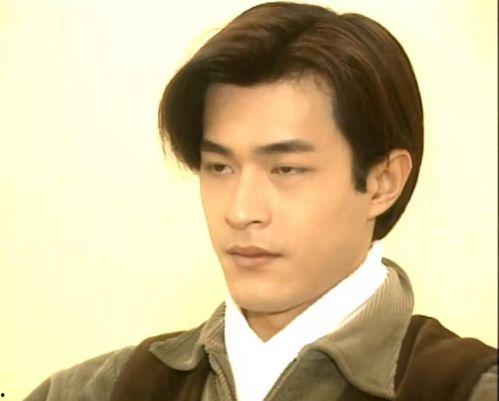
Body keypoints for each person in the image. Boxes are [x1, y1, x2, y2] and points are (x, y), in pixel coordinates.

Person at [24, 2, 497, 400]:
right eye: (219, 167)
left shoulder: (468, 388)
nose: (240, 211)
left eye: (285, 169)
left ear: (382, 182)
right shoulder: (92, 391)